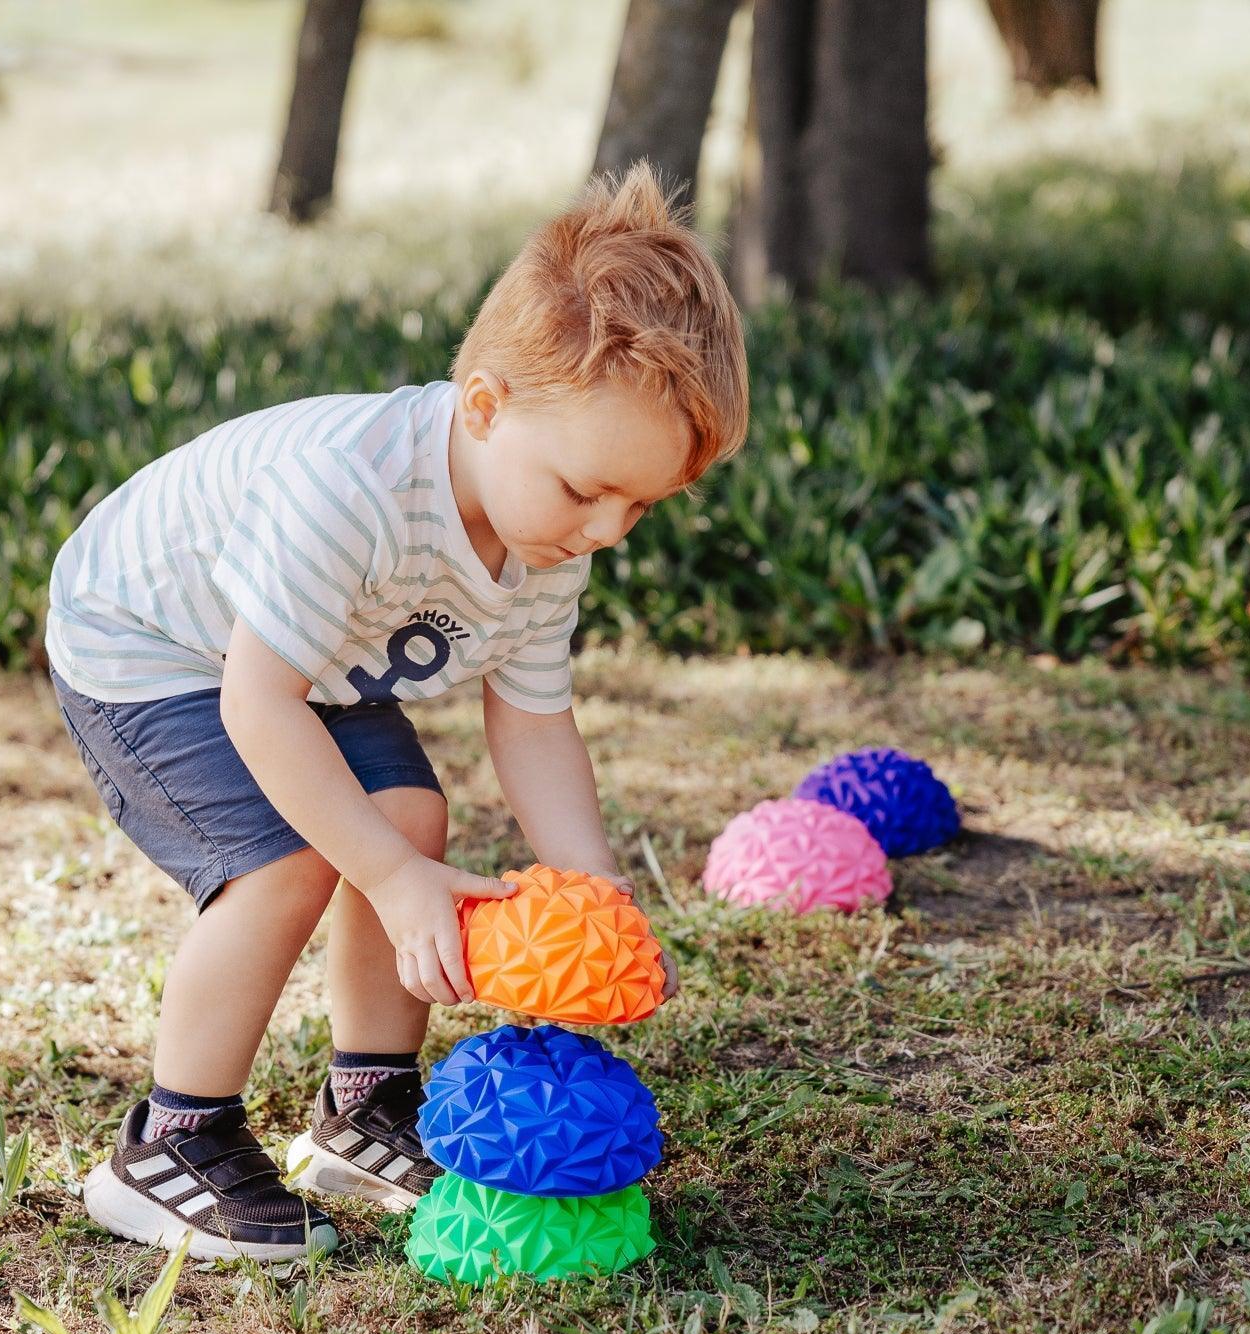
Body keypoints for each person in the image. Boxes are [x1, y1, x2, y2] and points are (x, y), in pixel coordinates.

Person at [44, 163, 748, 1259]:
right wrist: (383, 875)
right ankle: (172, 1141)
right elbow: (257, 701)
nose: (608, 530)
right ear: (486, 407)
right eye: (585, 490)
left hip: (304, 665)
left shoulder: (545, 537)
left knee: (410, 822)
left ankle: (364, 1108)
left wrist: (591, 886)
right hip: (148, 641)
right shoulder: (352, 490)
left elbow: (533, 720)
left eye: (640, 505)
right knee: (287, 862)